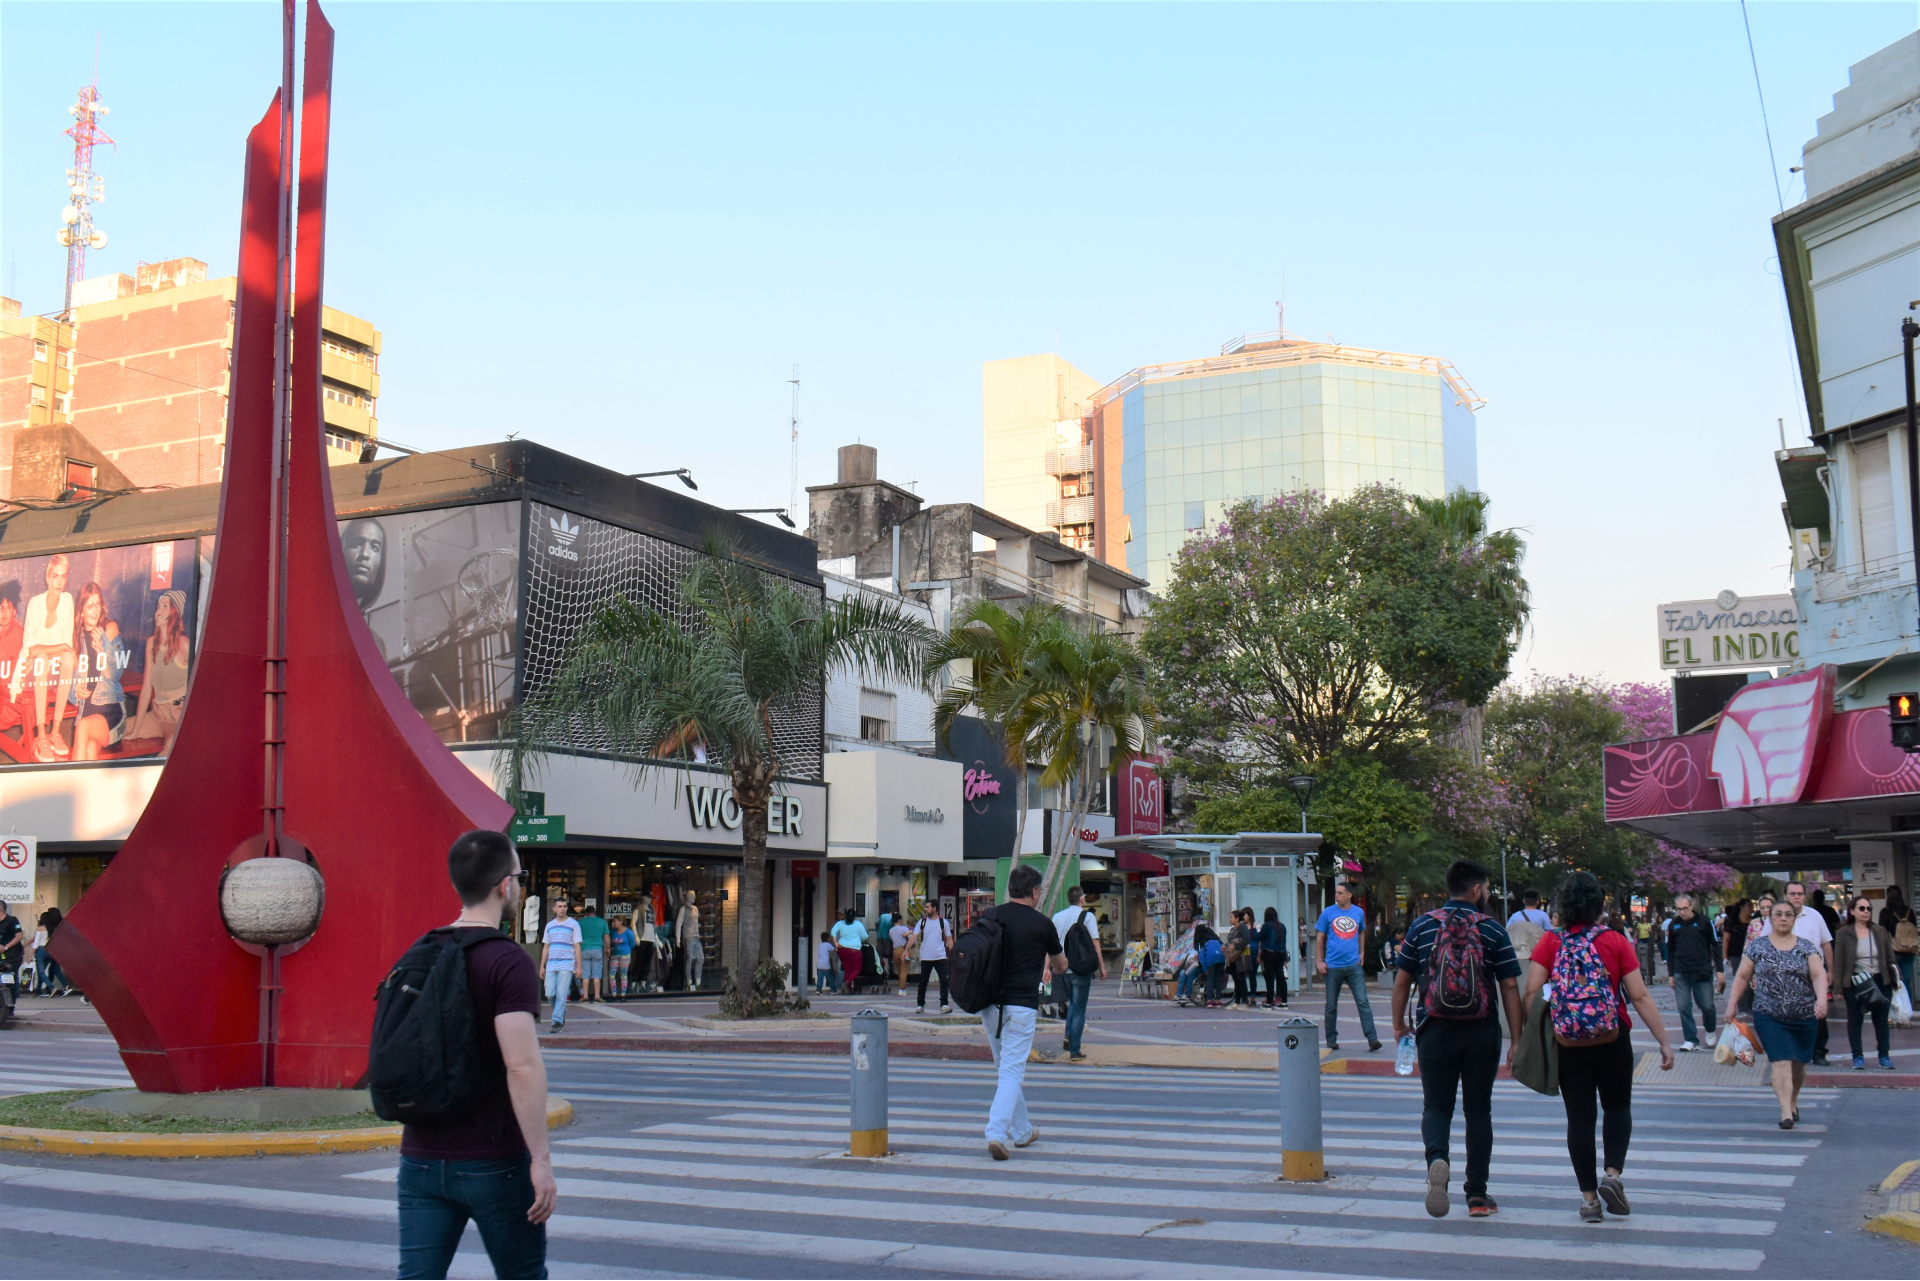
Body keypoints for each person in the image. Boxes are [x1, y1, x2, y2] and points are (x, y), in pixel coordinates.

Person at [396, 829, 555, 1280]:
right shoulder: (507, 961)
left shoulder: (421, 951)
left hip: (420, 1159)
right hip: (494, 1163)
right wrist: (540, 1161)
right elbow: (521, 1065)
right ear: (505, 885)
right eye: (520, 877)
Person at [1525, 871, 1675, 1223]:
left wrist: (1535, 1034)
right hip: (1612, 1038)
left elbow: (1531, 991)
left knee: (1579, 1117)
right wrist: (1664, 1042)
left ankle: (1590, 1200)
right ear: (1599, 904)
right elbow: (1638, 994)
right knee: (1617, 1107)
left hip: (1568, 1041)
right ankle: (1613, 1175)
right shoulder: (1615, 940)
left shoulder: (1551, 942)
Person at [1391, 858, 1524, 1219]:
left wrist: (1399, 1025)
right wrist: (1516, 1040)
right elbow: (1510, 985)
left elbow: (1402, 981)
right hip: (1481, 1031)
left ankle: (1438, 1159)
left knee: (1436, 1106)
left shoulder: (1421, 927)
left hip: (1434, 1029)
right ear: (1477, 889)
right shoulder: (1494, 930)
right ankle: (1477, 1196)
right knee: (1478, 1110)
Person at [977, 864, 1066, 1160]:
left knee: (1005, 1069)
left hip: (989, 1004)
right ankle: (996, 1133)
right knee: (1012, 1071)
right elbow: (1061, 964)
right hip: (1021, 1007)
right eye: (1039, 889)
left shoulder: (990, 915)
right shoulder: (1042, 924)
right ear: (1034, 891)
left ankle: (1023, 1131)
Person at [1724, 897, 1829, 1127]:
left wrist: (1821, 999)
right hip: (1768, 1013)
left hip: (1803, 1014)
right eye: (1778, 914)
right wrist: (1732, 1004)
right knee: (1780, 1061)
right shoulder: (1758, 946)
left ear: (1794, 919)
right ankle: (1785, 1112)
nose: (1783, 918)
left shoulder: (1806, 946)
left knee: (1799, 1063)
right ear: (1769, 919)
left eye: (1788, 915)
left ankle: (1793, 1100)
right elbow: (1742, 975)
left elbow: (1818, 975)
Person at [15, 554, 76, 762]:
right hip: (31, 670)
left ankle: (55, 732)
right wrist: (59, 647)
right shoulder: (36, 603)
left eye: (63, 576)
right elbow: (31, 650)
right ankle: (41, 735)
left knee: (68, 659)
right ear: (47, 578)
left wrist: (62, 650)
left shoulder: (67, 601)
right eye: (55, 576)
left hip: (55, 666)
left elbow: (67, 648)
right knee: (41, 658)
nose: (59, 581)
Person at [1317, 882, 1380, 1052]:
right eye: (1336, 892)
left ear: (1349, 895)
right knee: (1331, 1004)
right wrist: (1319, 961)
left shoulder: (1358, 912)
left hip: (1353, 966)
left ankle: (1372, 1038)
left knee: (1362, 1001)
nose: (1336, 895)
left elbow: (1360, 932)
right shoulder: (1328, 912)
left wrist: (1362, 953)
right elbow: (1320, 937)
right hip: (1332, 966)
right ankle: (1331, 1039)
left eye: (1340, 893)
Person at [1836, 895, 1897, 1071]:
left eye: (1869, 908)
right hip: (1856, 981)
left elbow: (1890, 957)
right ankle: (1858, 1057)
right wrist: (1839, 987)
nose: (1866, 912)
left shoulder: (1879, 931)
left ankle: (1884, 1057)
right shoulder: (1843, 933)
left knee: (1881, 1020)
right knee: (1855, 1020)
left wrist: (1894, 978)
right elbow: (1839, 961)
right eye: (1862, 908)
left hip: (1880, 979)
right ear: (1852, 911)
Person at [127, 589, 190, 752]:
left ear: (175, 613)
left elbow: (203, 681)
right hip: (155, 715)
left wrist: (184, 707)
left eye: (165, 606)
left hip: (176, 718)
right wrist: (135, 731)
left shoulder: (184, 645)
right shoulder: (151, 643)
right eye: (158, 606)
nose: (158, 611)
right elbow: (147, 688)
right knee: (115, 731)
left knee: (170, 751)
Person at [1051, 886, 1108, 1059]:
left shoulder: (1057, 917)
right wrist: (1102, 966)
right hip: (1081, 969)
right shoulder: (1088, 917)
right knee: (1079, 1007)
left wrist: (1047, 968)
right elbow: (1095, 943)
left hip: (1062, 968)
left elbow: (1051, 944)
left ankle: (1069, 1035)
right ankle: (1074, 1048)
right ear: (1082, 900)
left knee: (1073, 1005)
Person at [1783, 881, 1835, 1066]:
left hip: (1814, 974)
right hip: (1785, 976)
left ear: (1805, 896)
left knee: (1818, 1013)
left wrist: (1831, 971)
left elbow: (1826, 943)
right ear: (1785, 896)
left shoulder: (1815, 916)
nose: (1796, 897)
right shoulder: (1776, 917)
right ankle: (1795, 1051)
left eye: (1799, 893)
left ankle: (1819, 1052)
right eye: (1792, 893)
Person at [1666, 894, 1720, 1051]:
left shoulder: (1704, 922)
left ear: (1691, 906)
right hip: (1681, 970)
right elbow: (1670, 950)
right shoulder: (1674, 925)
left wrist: (1720, 970)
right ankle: (1691, 1039)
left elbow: (1715, 945)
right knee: (1683, 1006)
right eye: (1679, 909)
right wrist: (1671, 974)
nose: (1682, 912)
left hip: (1702, 970)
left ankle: (1710, 1029)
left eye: (1685, 908)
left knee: (1707, 1005)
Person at [539, 899, 581, 1033]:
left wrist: (578, 966)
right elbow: (546, 946)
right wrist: (542, 966)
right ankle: (561, 1011)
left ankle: (557, 1021)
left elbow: (577, 946)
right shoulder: (549, 925)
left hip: (567, 964)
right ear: (554, 909)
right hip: (551, 963)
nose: (562, 909)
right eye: (559, 906)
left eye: (564, 906)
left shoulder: (574, 924)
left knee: (562, 994)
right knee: (550, 993)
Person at [914, 905, 954, 1013]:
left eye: (927, 907)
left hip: (940, 956)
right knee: (923, 981)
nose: (925, 909)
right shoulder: (922, 922)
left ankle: (944, 1004)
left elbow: (949, 939)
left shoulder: (943, 922)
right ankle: (920, 1004)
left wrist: (953, 953)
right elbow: (914, 936)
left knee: (944, 980)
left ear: (934, 908)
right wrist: (906, 950)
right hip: (926, 957)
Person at [1880, 885, 1917, 1001]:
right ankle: (1907, 1009)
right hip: (1909, 950)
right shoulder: (1909, 912)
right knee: (1906, 982)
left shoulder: (1885, 912)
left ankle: (1895, 1009)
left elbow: (1882, 933)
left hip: (1893, 952)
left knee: (1893, 981)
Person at [1505, 890, 1551, 962]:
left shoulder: (1514, 916)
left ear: (1524, 901)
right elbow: (1549, 934)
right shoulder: (1543, 916)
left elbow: (1507, 932)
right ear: (1537, 902)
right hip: (1538, 952)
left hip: (1518, 954)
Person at [574, 906, 607, 1004]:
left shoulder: (580, 922)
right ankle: (597, 996)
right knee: (597, 975)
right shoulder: (602, 922)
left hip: (584, 949)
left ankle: (585, 996)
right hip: (597, 949)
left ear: (586, 913)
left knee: (585, 975)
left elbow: (576, 937)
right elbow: (606, 936)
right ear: (595, 913)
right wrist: (608, 948)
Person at [1259, 907, 1289, 1009]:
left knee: (1270, 978)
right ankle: (1284, 1002)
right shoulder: (1282, 927)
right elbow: (1284, 942)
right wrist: (1285, 957)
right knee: (1280, 978)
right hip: (1280, 953)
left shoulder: (1266, 926)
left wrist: (1255, 930)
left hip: (1269, 953)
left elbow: (1259, 937)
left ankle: (1269, 1002)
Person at [830, 908, 867, 992]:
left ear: (846, 915)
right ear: (854, 916)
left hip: (842, 949)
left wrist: (836, 943)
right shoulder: (858, 924)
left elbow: (833, 931)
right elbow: (865, 936)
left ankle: (847, 989)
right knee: (857, 969)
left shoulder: (840, 923)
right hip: (855, 950)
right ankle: (847, 982)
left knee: (847, 969)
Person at [1228, 908, 1258, 1008]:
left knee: (1241, 978)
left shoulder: (1243, 928)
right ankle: (1237, 1001)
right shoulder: (1232, 930)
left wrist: (1236, 946)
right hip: (1232, 958)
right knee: (1236, 979)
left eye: (1231, 917)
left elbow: (1246, 939)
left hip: (1241, 958)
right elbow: (1230, 941)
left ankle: (1244, 1000)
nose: (1230, 919)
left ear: (1237, 918)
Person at [607, 916, 635, 1000]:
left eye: (615, 921)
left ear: (621, 922)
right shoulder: (613, 931)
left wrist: (626, 950)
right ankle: (614, 994)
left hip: (625, 955)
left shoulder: (628, 932)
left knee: (623, 974)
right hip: (615, 954)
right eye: (613, 921)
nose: (613, 923)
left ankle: (623, 995)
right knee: (611, 974)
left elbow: (632, 943)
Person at [890, 913, 913, 996]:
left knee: (900, 971)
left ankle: (902, 987)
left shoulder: (891, 930)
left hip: (895, 951)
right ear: (899, 920)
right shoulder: (904, 928)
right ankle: (902, 989)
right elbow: (911, 939)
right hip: (905, 950)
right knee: (904, 970)